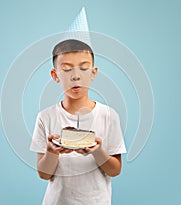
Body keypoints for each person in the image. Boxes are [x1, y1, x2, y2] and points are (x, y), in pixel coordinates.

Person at [30, 39, 126, 205]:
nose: (75, 76)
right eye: (66, 69)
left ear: (93, 73)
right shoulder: (46, 117)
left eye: (83, 68)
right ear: (55, 75)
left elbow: (115, 170)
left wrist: (97, 152)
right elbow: (44, 174)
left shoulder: (108, 116)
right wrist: (52, 151)